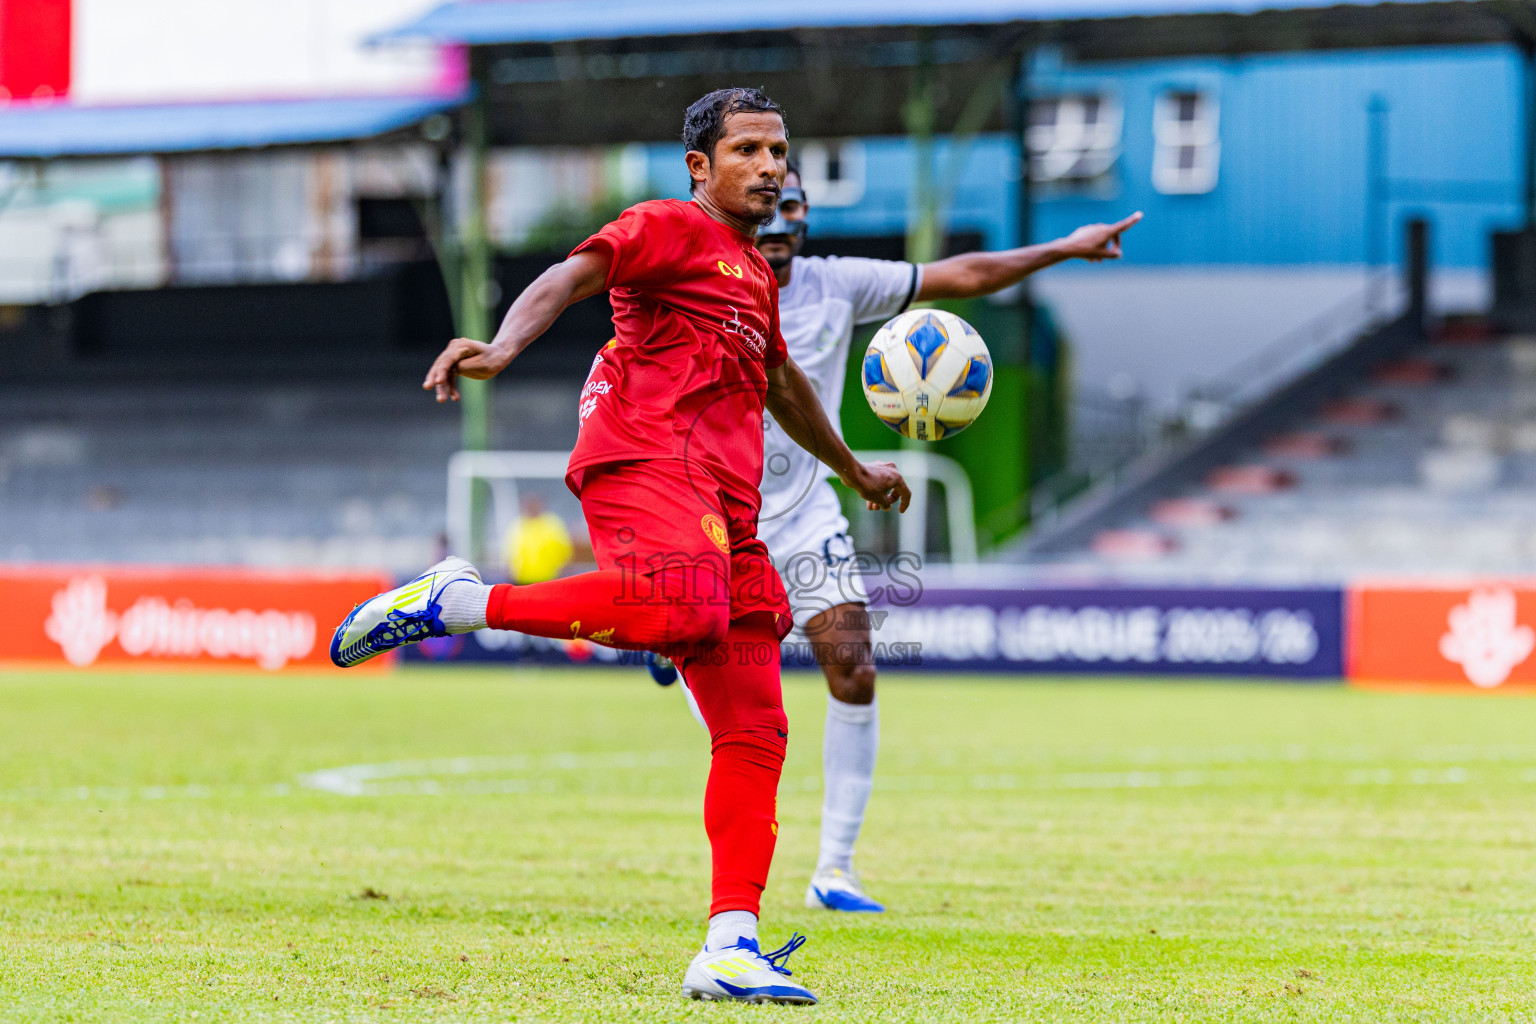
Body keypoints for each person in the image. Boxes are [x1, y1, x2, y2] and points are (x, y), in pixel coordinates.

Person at [328, 87, 911, 1006]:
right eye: (749, 150)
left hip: (730, 503)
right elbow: (570, 277)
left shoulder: (756, 277)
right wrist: (503, 347)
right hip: (647, 456)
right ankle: (455, 602)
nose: (770, 167)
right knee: (684, 609)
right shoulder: (667, 227)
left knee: (756, 725)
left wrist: (853, 469)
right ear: (700, 166)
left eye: (778, 151)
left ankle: (730, 945)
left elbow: (782, 382)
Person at [653, 165, 1142, 914]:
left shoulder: (838, 283)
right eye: (771, 203)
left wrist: (1063, 248)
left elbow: (964, 274)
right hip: (710, 513)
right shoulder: (695, 279)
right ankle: (672, 647)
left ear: (804, 216)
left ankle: (835, 870)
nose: (781, 218)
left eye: (794, 204)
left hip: (805, 511)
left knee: (855, 670)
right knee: (740, 704)